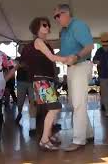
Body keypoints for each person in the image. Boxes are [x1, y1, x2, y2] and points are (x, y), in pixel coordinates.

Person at [54, 4, 95, 152]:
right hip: (72, 68)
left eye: (57, 15)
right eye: (55, 17)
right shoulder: (64, 31)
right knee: (75, 103)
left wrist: (76, 56)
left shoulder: (78, 25)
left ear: (66, 13)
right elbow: (65, 52)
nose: (56, 19)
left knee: (78, 104)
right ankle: (88, 133)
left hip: (81, 65)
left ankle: (78, 140)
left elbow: (90, 46)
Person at [25, 17, 70, 151]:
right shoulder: (38, 41)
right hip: (41, 80)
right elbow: (51, 57)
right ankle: (44, 140)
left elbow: (51, 57)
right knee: (54, 108)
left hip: (44, 80)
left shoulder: (44, 42)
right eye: (44, 25)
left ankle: (48, 136)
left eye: (48, 24)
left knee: (50, 108)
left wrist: (64, 56)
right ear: (36, 28)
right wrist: (67, 59)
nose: (47, 27)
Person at [15, 45, 37, 135]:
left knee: (33, 101)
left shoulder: (31, 58)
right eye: (20, 49)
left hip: (30, 82)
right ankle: (19, 113)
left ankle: (33, 122)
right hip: (21, 82)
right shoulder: (18, 58)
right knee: (20, 101)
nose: (21, 50)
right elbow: (16, 65)